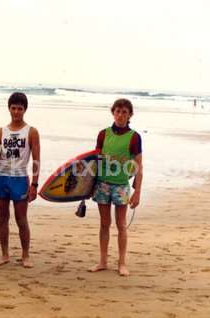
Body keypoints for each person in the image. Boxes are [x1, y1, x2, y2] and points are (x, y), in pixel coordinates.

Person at [89, 98, 143, 276]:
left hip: (120, 185)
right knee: (104, 224)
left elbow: (138, 167)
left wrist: (137, 193)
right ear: (113, 112)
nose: (120, 115)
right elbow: (94, 162)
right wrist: (88, 186)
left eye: (124, 112)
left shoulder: (134, 137)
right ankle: (103, 261)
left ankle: (122, 263)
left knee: (121, 224)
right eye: (118, 111)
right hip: (102, 184)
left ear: (130, 115)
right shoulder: (103, 134)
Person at [0, 92, 40, 268]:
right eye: (13, 108)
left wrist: (34, 184)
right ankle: (4, 254)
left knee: (21, 219)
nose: (16, 111)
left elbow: (36, 160)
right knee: (2, 218)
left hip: (19, 178)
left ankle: (25, 255)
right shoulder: (0, 131)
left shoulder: (31, 132)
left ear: (25, 110)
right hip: (1, 178)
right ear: (9, 108)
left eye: (20, 108)